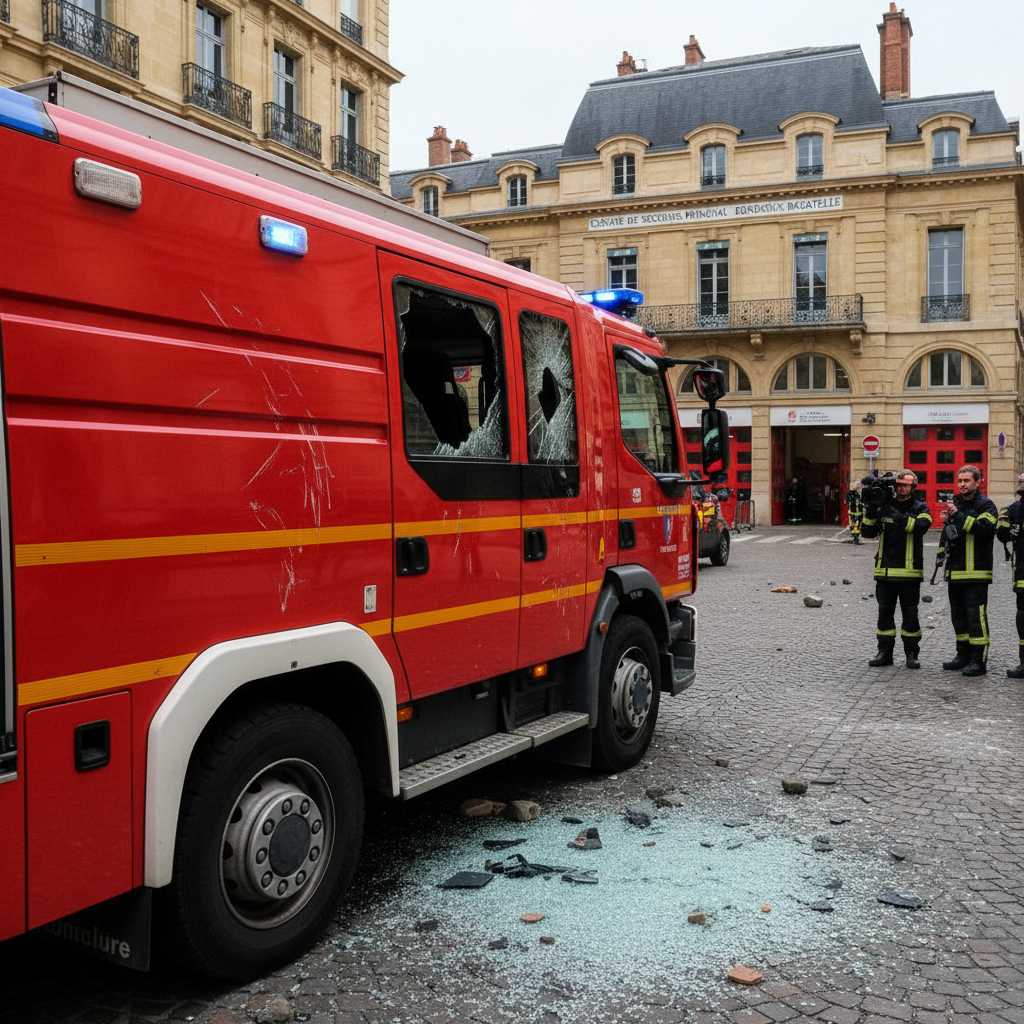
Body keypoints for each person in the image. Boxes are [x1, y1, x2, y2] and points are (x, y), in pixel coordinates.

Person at [861, 469, 932, 668]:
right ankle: (884, 653)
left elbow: (921, 527)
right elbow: (868, 532)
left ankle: (911, 654)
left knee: (910, 616)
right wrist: (871, 510)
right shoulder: (884, 505)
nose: (901, 487)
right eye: (898, 484)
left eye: (905, 484)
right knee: (884, 616)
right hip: (885, 573)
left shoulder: (920, 507)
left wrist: (894, 515)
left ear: (913, 487)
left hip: (910, 573)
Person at [940, 465, 998, 677]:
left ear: (978, 482)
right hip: (955, 571)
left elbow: (985, 531)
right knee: (958, 617)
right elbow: (947, 532)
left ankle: (978, 661)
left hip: (976, 573)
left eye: (967, 481)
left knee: (976, 617)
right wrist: (941, 553)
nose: (962, 484)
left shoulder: (987, 505)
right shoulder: (955, 502)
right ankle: (962, 655)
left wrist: (960, 516)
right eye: (960, 481)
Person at [996, 473, 1024, 678]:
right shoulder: (1013, 510)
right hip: (1022, 573)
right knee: (1022, 618)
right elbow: (1001, 533)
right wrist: (1006, 526)